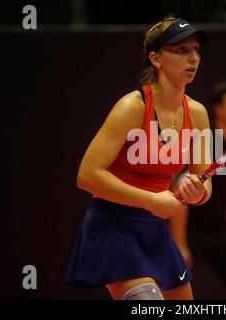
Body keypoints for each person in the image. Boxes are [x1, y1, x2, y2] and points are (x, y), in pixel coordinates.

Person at [65, 14, 213, 300]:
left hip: (155, 229)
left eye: (195, 49)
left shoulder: (197, 113)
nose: (192, 58)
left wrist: (197, 193)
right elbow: (87, 176)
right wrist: (151, 200)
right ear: (156, 59)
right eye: (180, 50)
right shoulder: (131, 107)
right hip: (114, 225)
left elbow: (204, 181)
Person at [170, 81, 226, 299]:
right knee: (173, 290)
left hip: (220, 227)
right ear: (218, 108)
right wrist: (179, 244)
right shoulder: (203, 139)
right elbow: (180, 191)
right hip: (187, 228)